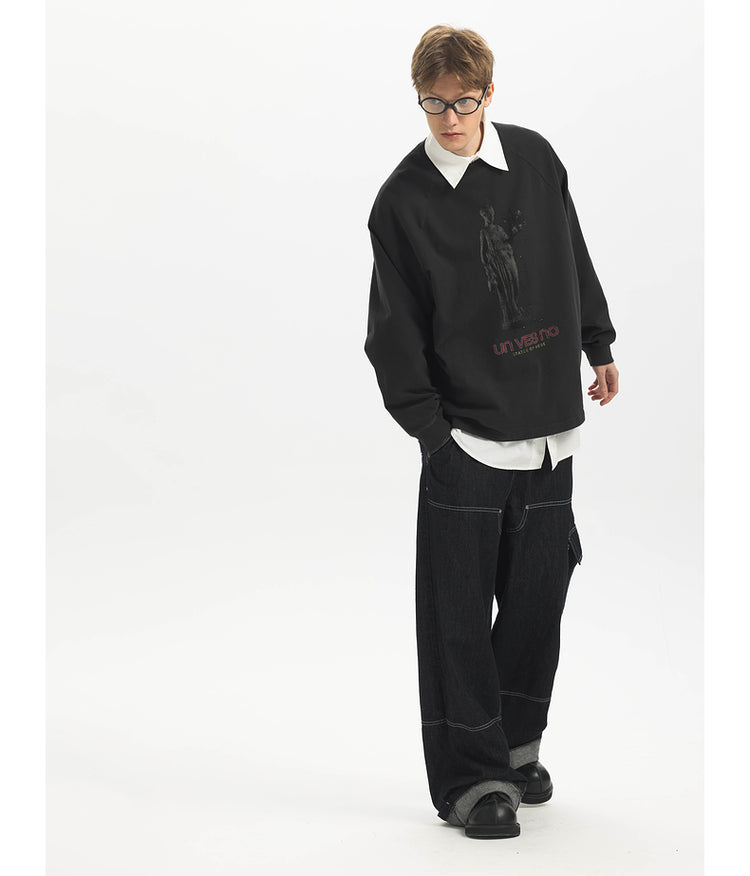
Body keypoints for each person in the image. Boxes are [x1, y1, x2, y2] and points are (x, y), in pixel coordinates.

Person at [363, 24, 619, 840]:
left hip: (549, 433)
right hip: (467, 440)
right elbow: (392, 332)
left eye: (463, 102)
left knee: (540, 599)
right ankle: (472, 780)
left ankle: (514, 747)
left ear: (488, 94)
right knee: (459, 618)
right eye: (432, 104)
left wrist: (598, 342)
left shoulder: (535, 160)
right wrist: (431, 434)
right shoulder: (403, 202)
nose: (448, 119)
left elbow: (571, 252)